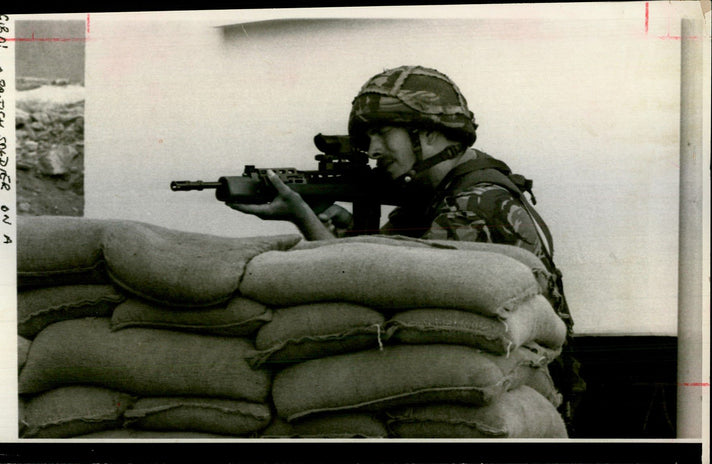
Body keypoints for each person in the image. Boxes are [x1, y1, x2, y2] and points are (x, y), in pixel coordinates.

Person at [228, 65, 584, 431]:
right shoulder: (436, 196)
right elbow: (388, 269)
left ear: (429, 133)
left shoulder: (475, 206)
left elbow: (393, 298)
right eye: (368, 137)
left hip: (518, 394)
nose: (373, 150)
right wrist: (337, 227)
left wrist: (305, 221)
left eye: (382, 133)